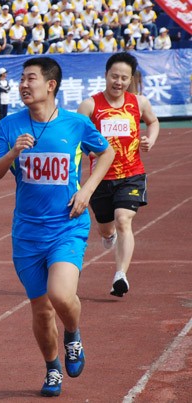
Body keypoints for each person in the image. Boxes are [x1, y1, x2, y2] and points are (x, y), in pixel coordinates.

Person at [0, 56, 115, 397]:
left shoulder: (76, 124)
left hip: (67, 226)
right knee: (41, 310)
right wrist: (12, 154)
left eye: (30, 79)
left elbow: (106, 153)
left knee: (60, 295)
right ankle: (52, 367)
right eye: (21, 79)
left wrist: (87, 190)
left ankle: (73, 333)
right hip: (27, 233)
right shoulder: (9, 126)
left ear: (51, 85)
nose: (23, 85)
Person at [77, 52, 159, 298]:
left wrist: (150, 140)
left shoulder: (139, 102)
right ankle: (108, 234)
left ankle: (120, 275)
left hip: (132, 174)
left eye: (124, 78)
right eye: (115, 76)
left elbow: (153, 122)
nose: (119, 82)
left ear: (131, 79)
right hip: (100, 178)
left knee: (123, 219)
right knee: (106, 228)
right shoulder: (90, 105)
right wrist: (88, 150)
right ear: (106, 75)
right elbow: (76, 136)